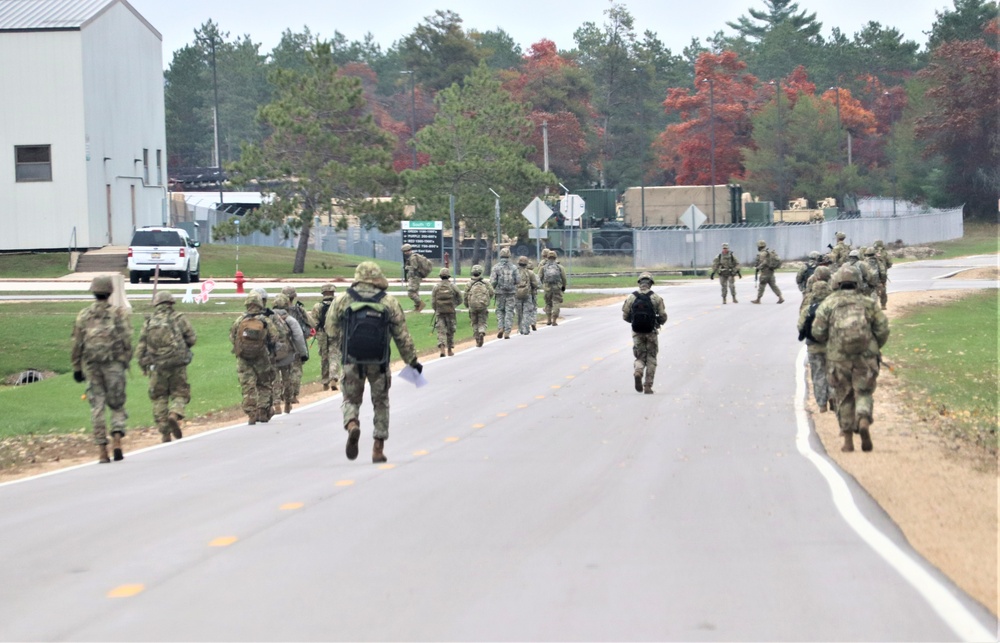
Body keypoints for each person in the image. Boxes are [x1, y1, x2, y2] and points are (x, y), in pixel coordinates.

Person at [326, 262, 422, 463]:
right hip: (379, 361)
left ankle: (352, 424)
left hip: (352, 360)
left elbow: (331, 330)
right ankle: (378, 448)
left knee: (351, 400)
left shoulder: (342, 300)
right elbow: (402, 336)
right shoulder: (388, 301)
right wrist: (412, 361)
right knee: (381, 402)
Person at [811, 265, 890, 452]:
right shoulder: (868, 302)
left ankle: (847, 441)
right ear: (858, 282)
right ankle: (863, 419)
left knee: (844, 396)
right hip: (865, 357)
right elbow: (883, 329)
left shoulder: (829, 304)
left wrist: (830, 340)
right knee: (863, 392)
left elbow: (817, 331)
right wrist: (874, 346)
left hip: (838, 358)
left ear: (837, 282)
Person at [71, 275, 134, 463]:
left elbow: (77, 343)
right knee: (117, 404)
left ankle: (102, 451)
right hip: (114, 365)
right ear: (110, 292)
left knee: (97, 407)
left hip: (92, 366)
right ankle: (116, 439)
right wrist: (125, 360)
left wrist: (77, 367)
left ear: (94, 292)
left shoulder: (84, 315)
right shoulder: (118, 313)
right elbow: (127, 339)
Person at [136, 291, 196, 443]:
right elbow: (192, 338)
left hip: (157, 366)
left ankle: (165, 432)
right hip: (177, 363)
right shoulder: (178, 318)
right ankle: (175, 414)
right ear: (171, 303)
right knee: (180, 393)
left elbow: (140, 348)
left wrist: (143, 365)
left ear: (156, 304)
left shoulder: (149, 322)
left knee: (159, 397)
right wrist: (182, 348)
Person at [230, 292, 281, 425]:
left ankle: (251, 413)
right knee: (264, 383)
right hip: (261, 356)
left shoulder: (240, 320)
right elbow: (275, 337)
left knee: (248, 386)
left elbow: (232, 336)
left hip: (243, 358)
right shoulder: (265, 320)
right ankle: (263, 410)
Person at [621, 272, 668, 394]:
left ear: (639, 283)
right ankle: (648, 386)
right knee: (651, 358)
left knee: (639, 356)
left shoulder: (632, 297)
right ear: (650, 283)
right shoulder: (656, 298)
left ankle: (638, 371)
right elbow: (663, 316)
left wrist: (634, 321)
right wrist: (658, 322)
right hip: (651, 332)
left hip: (637, 332)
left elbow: (625, 316)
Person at [797, 280, 833, 414]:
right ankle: (833, 397)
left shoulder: (808, 309)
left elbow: (800, 326)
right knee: (832, 373)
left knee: (818, 374)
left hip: (813, 347)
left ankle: (822, 403)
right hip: (832, 346)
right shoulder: (833, 307)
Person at [272, 294, 309, 413]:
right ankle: (288, 402)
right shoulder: (290, 320)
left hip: (272, 353)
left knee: (274, 378)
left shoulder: (268, 319)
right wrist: (303, 353)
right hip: (287, 354)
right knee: (287, 378)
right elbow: (298, 337)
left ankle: (276, 402)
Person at [281, 285, 313, 403]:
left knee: (283, 370)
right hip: (296, 344)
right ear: (294, 297)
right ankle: (293, 395)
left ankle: (282, 394)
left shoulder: (276, 312)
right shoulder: (299, 310)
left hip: (281, 345)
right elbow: (312, 322)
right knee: (296, 370)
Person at [311, 283, 341, 391]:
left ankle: (325, 382)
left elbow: (314, 322)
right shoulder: (337, 305)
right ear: (333, 292)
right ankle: (334, 377)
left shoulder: (317, 306)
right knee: (334, 355)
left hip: (322, 334)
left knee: (324, 357)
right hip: (335, 333)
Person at [431, 267, 462, 356]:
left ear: (440, 276)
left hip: (440, 312)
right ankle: (449, 350)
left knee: (441, 331)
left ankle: (442, 349)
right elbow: (460, 298)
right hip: (451, 312)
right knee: (450, 330)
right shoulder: (453, 286)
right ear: (449, 276)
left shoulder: (436, 287)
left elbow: (433, 301)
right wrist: (454, 305)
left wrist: (436, 309)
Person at [463, 264, 494, 347]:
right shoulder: (486, 283)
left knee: (474, 322)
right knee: (482, 321)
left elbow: (465, 295)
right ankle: (482, 331)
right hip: (483, 305)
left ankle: (477, 338)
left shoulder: (469, 284)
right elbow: (491, 292)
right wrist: (486, 300)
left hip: (472, 306)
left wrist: (467, 304)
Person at [490, 247, 518, 339]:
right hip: (511, 293)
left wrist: (493, 290)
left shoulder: (496, 267)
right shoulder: (514, 267)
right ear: (509, 255)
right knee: (509, 312)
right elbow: (518, 280)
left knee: (500, 311)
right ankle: (507, 332)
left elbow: (492, 281)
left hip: (499, 293)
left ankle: (500, 327)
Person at [537, 249, 567, 325]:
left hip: (547, 288)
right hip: (557, 287)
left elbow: (539, 278)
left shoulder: (543, 267)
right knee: (556, 302)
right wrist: (563, 286)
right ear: (555, 257)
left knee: (548, 303)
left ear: (547, 257)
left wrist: (541, 286)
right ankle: (554, 320)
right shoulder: (560, 267)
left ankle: (548, 320)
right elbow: (564, 278)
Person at [751, 240, 784, 304]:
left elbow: (764, 262)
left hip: (765, 273)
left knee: (761, 286)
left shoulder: (762, 254)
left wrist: (758, 267)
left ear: (759, 246)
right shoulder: (769, 252)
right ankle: (780, 297)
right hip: (771, 272)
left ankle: (758, 299)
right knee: (773, 286)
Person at [514, 255, 540, 336]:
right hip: (527, 295)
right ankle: (526, 329)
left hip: (516, 295)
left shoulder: (515, 272)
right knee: (526, 312)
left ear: (518, 263)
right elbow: (536, 284)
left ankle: (521, 328)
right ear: (526, 264)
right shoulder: (530, 273)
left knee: (519, 312)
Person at [402, 243, 431, 313]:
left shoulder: (412, 258)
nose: (404, 253)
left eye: (405, 251)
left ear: (408, 250)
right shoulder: (412, 257)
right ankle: (417, 307)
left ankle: (421, 303)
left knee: (411, 292)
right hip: (414, 277)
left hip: (415, 277)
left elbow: (414, 267)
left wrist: (406, 267)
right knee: (415, 292)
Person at [872, 239, 892, 310]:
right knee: (883, 289)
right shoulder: (885, 253)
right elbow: (890, 264)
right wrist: (885, 267)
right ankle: (883, 305)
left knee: (873, 289)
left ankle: (873, 305)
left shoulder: (872, 252)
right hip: (882, 274)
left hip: (872, 274)